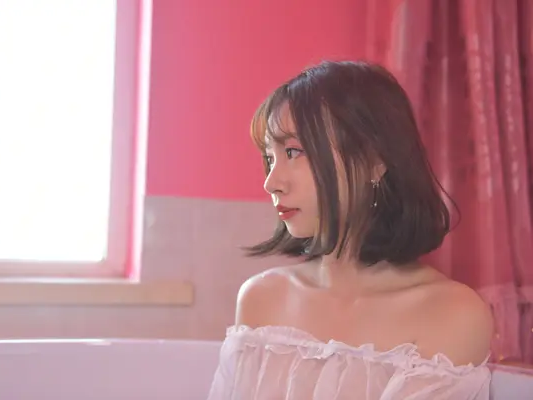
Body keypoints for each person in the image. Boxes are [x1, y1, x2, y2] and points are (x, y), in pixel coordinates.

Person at [207, 61, 493, 399]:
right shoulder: (261, 298)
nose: (271, 182)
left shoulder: (453, 314)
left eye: (294, 152)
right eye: (270, 158)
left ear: (375, 160)